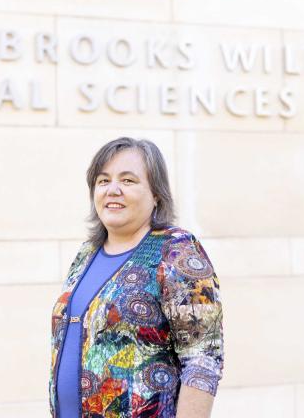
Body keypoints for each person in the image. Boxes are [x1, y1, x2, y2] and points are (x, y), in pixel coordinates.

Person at [49, 137, 224, 417]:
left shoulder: (175, 251)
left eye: (128, 181)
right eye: (103, 180)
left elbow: (203, 359)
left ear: (156, 193)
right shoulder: (87, 254)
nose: (113, 190)